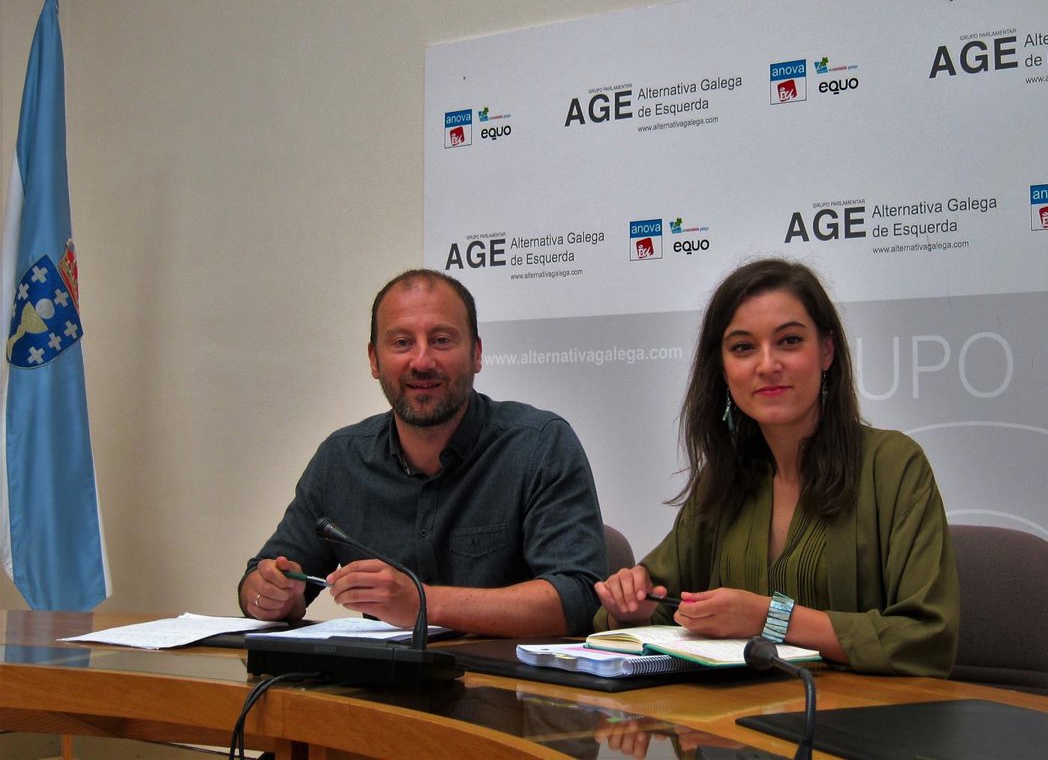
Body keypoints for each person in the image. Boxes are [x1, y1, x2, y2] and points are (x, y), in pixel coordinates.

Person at [594, 258, 959, 676]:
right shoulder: (723, 479)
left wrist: (770, 619)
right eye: (743, 347)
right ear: (723, 369)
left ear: (826, 350)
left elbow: (927, 640)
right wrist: (632, 607)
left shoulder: (894, 465)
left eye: (789, 341)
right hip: (734, 714)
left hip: (859, 713)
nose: (767, 365)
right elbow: (661, 607)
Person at [240, 269, 607, 636]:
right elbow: (261, 578)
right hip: (381, 673)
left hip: (507, 672)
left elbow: (578, 598)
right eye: (402, 342)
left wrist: (422, 602)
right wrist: (268, 595)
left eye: (441, 340)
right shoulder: (341, 459)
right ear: (374, 359)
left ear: (476, 353)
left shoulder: (538, 445)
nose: (422, 361)